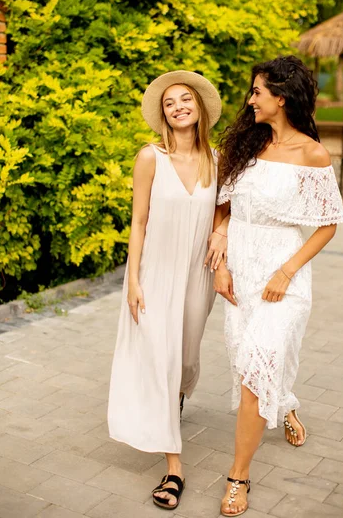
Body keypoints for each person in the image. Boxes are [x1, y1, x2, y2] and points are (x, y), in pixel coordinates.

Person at [212, 56, 343, 516]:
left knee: (255, 371)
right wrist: (220, 260)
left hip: (281, 277)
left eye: (256, 92)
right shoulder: (248, 145)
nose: (250, 100)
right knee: (247, 362)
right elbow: (224, 205)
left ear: (280, 97)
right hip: (240, 274)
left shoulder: (312, 154)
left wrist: (287, 271)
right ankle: (284, 404)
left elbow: (328, 224)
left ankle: (238, 477)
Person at [108, 70, 223, 511]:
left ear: (198, 108)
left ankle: (172, 403)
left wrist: (224, 231)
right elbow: (137, 223)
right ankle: (174, 468)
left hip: (198, 276)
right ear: (163, 113)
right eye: (170, 102)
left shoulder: (218, 158)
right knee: (161, 357)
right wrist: (133, 279)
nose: (178, 107)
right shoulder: (149, 158)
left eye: (185, 100)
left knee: (186, 359)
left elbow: (226, 210)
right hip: (155, 275)